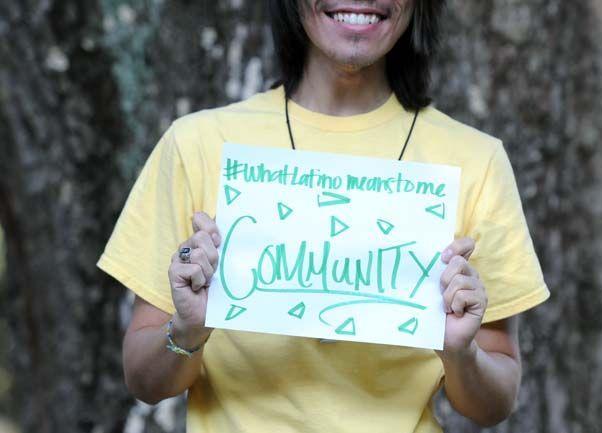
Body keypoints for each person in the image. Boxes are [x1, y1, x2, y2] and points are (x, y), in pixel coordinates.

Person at [97, 1, 550, 432]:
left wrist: (461, 354)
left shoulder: (476, 161)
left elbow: (496, 403)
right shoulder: (196, 145)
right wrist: (188, 328)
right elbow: (144, 380)